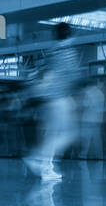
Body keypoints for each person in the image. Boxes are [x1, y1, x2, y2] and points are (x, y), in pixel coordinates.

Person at [23, 21, 80, 182]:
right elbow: (74, 76)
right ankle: (37, 158)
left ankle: (46, 168)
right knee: (68, 134)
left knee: (52, 134)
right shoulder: (68, 51)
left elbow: (46, 73)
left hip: (49, 99)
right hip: (60, 98)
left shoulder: (52, 51)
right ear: (70, 34)